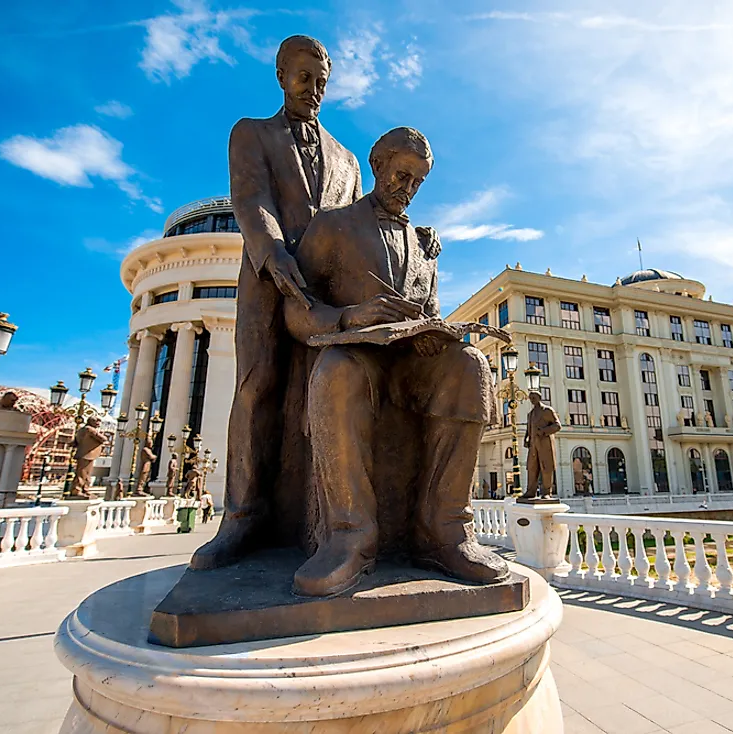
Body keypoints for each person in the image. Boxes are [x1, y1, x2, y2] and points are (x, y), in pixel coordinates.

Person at [283, 127, 508, 597]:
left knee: (471, 367)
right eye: (402, 175)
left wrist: (432, 332)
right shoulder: (332, 226)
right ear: (378, 165)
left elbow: (428, 308)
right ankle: (350, 537)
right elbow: (296, 311)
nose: (408, 189)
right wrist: (350, 316)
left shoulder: (425, 244)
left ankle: (444, 530)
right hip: (356, 354)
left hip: (411, 363)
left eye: (418, 182)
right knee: (337, 372)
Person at [192, 35, 365, 571]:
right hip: (269, 279)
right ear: (281, 76)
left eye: (322, 80)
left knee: (329, 394)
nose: (313, 89)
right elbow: (250, 197)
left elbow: (357, 225)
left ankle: (324, 522)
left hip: (326, 293)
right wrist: (271, 253)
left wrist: (411, 234)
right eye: (303, 77)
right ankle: (241, 520)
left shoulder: (348, 159)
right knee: (259, 387)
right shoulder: (251, 133)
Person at [523, 390, 561, 500]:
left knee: (546, 467)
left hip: (545, 444)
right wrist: (526, 438)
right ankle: (531, 491)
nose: (532, 400)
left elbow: (557, 426)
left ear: (539, 398)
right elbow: (529, 428)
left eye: (534, 398)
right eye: (530, 398)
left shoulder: (547, 411)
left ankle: (547, 492)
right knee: (532, 468)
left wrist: (544, 431)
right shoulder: (530, 414)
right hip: (533, 445)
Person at [71, 417, 106, 499]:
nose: (98, 424)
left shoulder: (81, 429)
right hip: (86, 454)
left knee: (86, 474)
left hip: (87, 454)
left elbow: (74, 442)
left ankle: (84, 489)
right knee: (82, 473)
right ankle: (77, 490)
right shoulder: (89, 429)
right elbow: (103, 438)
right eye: (96, 422)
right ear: (91, 422)